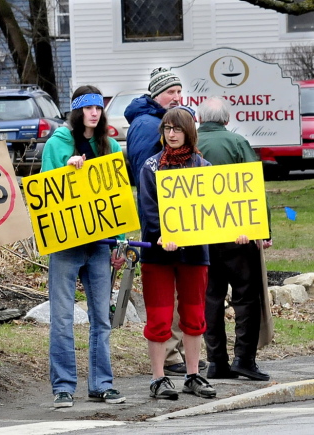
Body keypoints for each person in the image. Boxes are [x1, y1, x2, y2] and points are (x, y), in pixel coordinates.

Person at [39, 85, 126, 408]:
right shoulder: (57, 144)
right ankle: (63, 386)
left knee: (101, 318)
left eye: (99, 108)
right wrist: (67, 171)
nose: (94, 113)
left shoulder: (111, 145)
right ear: (77, 112)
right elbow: (45, 192)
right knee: (62, 317)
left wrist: (121, 240)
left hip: (100, 242)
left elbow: (118, 195)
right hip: (66, 242)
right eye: (88, 108)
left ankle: (101, 384)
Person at [124, 67, 199, 376]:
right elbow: (147, 176)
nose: (177, 97)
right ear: (156, 95)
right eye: (171, 92)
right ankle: (169, 356)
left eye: (180, 91)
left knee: (187, 293)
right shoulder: (146, 124)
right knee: (165, 293)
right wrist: (158, 224)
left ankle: (182, 354)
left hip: (183, 218)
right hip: (161, 221)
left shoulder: (166, 121)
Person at [137, 106, 216, 400]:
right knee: (158, 318)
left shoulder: (203, 168)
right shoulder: (151, 167)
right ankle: (158, 378)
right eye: (167, 129)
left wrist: (236, 231)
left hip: (195, 253)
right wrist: (164, 236)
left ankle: (194, 375)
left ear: (189, 132)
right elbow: (149, 210)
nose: (171, 134)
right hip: (158, 254)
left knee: (194, 315)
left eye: (177, 129)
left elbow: (215, 210)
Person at [196, 97, 272, 381]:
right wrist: (263, 231)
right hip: (237, 235)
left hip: (200, 235)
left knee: (211, 298)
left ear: (200, 119)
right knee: (245, 296)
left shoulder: (191, 144)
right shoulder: (238, 143)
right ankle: (244, 358)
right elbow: (254, 187)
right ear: (226, 120)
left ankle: (216, 362)